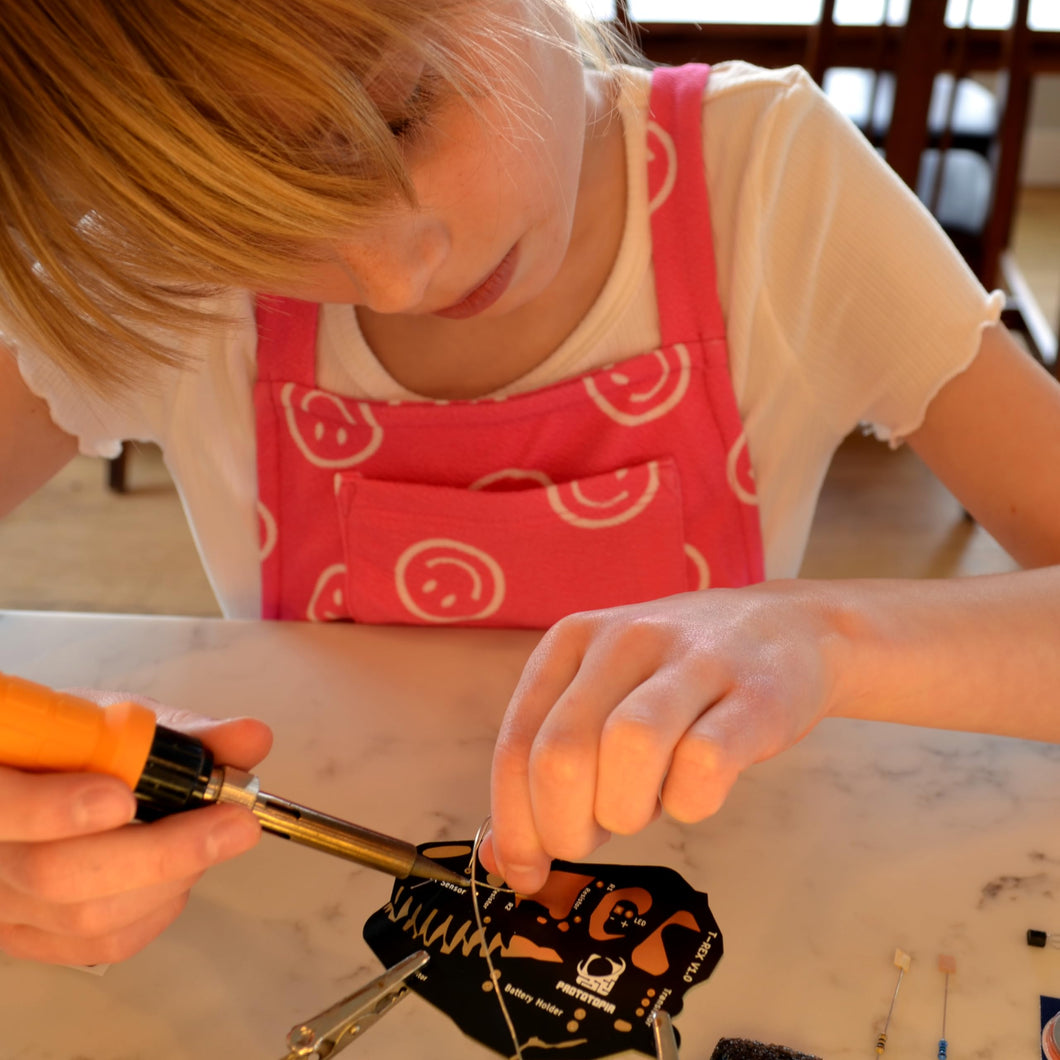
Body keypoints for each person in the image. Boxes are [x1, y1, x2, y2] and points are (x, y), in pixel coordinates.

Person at [2, 0, 1060, 967]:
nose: (395, 277)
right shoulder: (176, 272)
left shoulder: (771, 187)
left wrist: (826, 637)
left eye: (403, 115)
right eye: (260, 227)